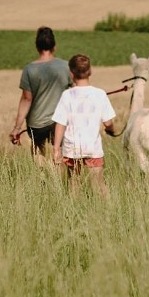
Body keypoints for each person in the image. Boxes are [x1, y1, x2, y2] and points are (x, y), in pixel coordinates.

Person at [52, 54, 116, 197]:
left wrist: (56, 148)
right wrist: (111, 129)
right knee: (99, 184)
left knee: (73, 183)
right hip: (93, 147)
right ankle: (109, 211)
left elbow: (60, 123)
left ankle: (75, 212)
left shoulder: (67, 95)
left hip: (72, 147)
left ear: (71, 73)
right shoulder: (100, 94)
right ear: (90, 71)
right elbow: (108, 122)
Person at [10, 26, 72, 167]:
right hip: (59, 120)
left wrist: (17, 127)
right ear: (54, 46)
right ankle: (59, 186)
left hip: (36, 123)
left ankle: (43, 183)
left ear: (37, 47)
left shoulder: (29, 69)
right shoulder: (66, 66)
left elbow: (26, 99)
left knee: (39, 154)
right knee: (59, 152)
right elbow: (75, 92)